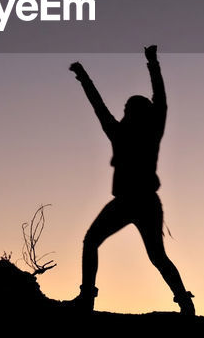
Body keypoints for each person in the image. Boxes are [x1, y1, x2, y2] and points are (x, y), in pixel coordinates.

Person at [66, 44, 194, 315]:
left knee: (95, 242)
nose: (123, 111)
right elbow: (103, 106)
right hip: (140, 202)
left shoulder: (129, 133)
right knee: (154, 256)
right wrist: (151, 63)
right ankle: (184, 301)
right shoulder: (132, 132)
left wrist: (84, 77)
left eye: (127, 108)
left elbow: (153, 100)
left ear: (132, 112)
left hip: (135, 201)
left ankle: (87, 298)